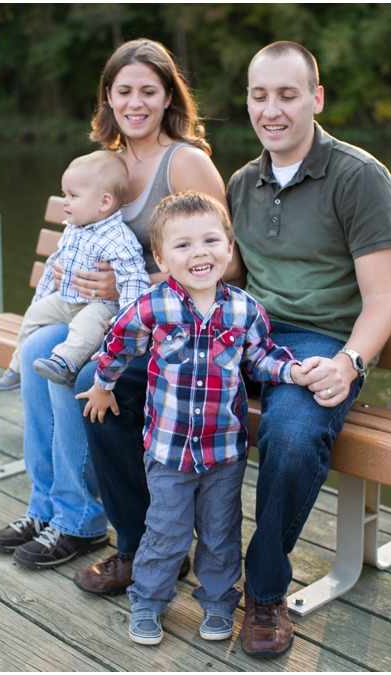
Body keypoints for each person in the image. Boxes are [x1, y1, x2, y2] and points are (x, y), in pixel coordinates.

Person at [76, 41, 391, 659]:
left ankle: (266, 592)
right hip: (237, 329)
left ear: (316, 98)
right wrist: (150, 303)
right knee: (104, 386)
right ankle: (147, 547)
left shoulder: (360, 177)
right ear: (248, 102)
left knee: (292, 434)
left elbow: (383, 299)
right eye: (260, 95)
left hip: (317, 345)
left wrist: (348, 363)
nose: (272, 109)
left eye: (287, 94)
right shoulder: (243, 182)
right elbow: (220, 277)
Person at [0, 38, 229, 572]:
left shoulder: (184, 163)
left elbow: (228, 262)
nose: (135, 102)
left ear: (169, 97)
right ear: (109, 97)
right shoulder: (108, 164)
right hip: (100, 315)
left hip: (166, 324)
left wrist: (129, 284)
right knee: (39, 350)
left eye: (149, 90)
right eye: (124, 91)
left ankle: (80, 518)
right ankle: (49, 505)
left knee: (80, 373)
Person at [79, 191, 305, 645]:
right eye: (183, 245)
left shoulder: (245, 310)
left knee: (221, 535)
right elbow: (118, 344)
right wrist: (103, 385)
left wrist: (294, 370)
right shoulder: (152, 306)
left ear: (229, 246)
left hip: (223, 452)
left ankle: (220, 604)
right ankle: (147, 601)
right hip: (168, 452)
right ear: (161, 258)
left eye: (209, 240)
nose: (199, 253)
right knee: (166, 530)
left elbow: (261, 358)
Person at [0, 151, 149, 391]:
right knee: (34, 313)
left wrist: (123, 321)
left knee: (88, 323)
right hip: (67, 299)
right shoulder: (74, 228)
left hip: (101, 304)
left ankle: (66, 363)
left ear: (104, 202)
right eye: (65, 194)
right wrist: (41, 298)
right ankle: (17, 368)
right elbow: (54, 263)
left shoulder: (118, 239)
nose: (64, 201)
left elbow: (134, 280)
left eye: (73, 195)